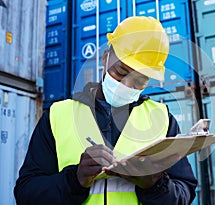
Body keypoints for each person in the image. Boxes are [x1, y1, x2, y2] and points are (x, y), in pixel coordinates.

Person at [14, 16, 197, 205]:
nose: (126, 85)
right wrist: (74, 180)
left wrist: (155, 185)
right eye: (120, 72)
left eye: (139, 80)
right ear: (105, 57)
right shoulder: (57, 116)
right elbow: (26, 194)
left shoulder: (162, 119)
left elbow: (184, 192)